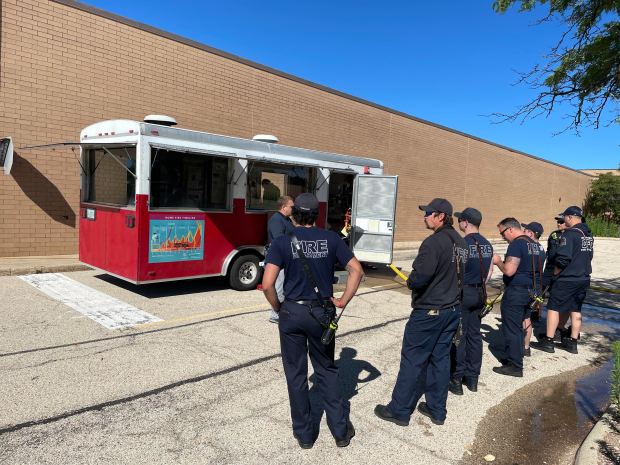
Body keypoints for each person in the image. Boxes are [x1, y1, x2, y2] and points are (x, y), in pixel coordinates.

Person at [262, 193, 364, 449]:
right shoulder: (331, 238)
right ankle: (340, 431)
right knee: (326, 370)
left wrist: (279, 307)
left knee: (296, 374)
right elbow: (357, 270)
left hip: (292, 313)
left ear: (294, 213)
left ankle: (305, 435)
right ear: (316, 215)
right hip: (321, 312)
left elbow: (267, 285)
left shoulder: (283, 243)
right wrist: (342, 300)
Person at [375, 198, 467, 426]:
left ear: (440, 216)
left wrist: (412, 280)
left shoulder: (433, 243)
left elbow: (420, 277)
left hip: (429, 312)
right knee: (440, 358)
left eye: (428, 213)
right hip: (452, 310)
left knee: (412, 360)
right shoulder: (462, 244)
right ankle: (437, 409)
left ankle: (399, 410)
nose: (424, 216)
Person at [536, 206, 593, 354]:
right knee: (575, 308)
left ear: (569, 217)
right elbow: (589, 256)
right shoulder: (588, 235)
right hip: (583, 278)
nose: (563, 220)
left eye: (565, 217)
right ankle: (572, 342)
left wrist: (555, 273)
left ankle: (548, 340)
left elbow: (562, 259)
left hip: (567, 279)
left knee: (553, 307)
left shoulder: (569, 234)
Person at [449, 208, 493, 396]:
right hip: (480, 293)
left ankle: (457, 378)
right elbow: (489, 272)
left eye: (460, 220)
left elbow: (454, 271)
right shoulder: (487, 244)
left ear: (466, 223)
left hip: (464, 293)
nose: (459, 223)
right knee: (475, 336)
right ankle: (473, 378)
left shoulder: (461, 243)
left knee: (460, 336)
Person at [492, 218, 543, 377]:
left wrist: (498, 261)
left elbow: (508, 270)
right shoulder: (537, 246)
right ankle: (519, 353)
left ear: (510, 229)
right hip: (531, 291)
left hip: (517, 292)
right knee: (521, 324)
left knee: (512, 328)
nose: (503, 237)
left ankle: (515, 365)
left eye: (502, 233)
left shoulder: (517, 244)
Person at [266, 196, 295, 323]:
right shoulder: (276, 220)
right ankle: (275, 314)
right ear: (284, 207)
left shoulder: (287, 219)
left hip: (288, 256)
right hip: (280, 258)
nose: (293, 209)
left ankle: (283, 311)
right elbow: (279, 240)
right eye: (291, 207)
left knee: (284, 285)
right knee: (278, 285)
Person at [520, 221, 545, 356]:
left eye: (525, 230)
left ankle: (518, 346)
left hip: (525, 286)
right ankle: (526, 347)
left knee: (522, 317)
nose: (522, 232)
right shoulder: (541, 249)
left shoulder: (525, 247)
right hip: (536, 287)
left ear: (530, 233)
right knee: (527, 317)